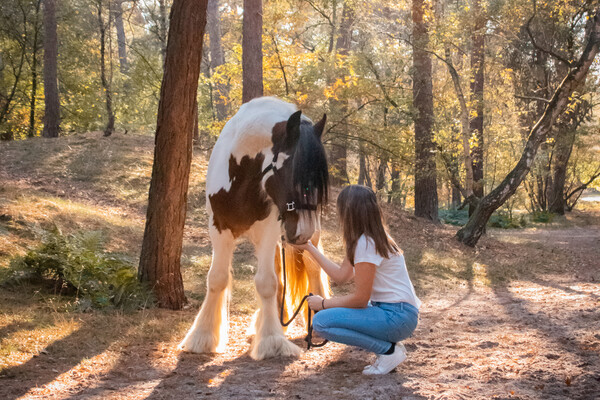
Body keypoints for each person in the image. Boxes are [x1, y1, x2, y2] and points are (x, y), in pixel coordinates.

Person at [292, 185, 421, 375]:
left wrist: (324, 303)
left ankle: (388, 351)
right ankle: (390, 348)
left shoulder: (366, 243)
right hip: (398, 314)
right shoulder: (368, 240)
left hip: (397, 316)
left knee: (321, 322)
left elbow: (360, 299)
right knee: (325, 319)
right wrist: (310, 248)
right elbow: (340, 276)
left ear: (350, 212)